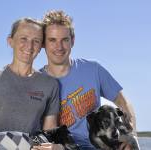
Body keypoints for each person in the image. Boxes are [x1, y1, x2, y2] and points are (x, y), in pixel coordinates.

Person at [39, 10, 138, 150]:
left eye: (65, 40)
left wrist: (130, 136)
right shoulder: (36, 82)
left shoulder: (93, 69)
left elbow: (121, 100)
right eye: (52, 40)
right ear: (43, 43)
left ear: (72, 41)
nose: (59, 47)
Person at [0, 18, 63, 149]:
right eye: (23, 39)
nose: (29, 46)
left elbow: (49, 130)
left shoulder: (50, 84)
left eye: (36, 41)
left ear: (41, 47)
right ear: (10, 41)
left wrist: (57, 147)